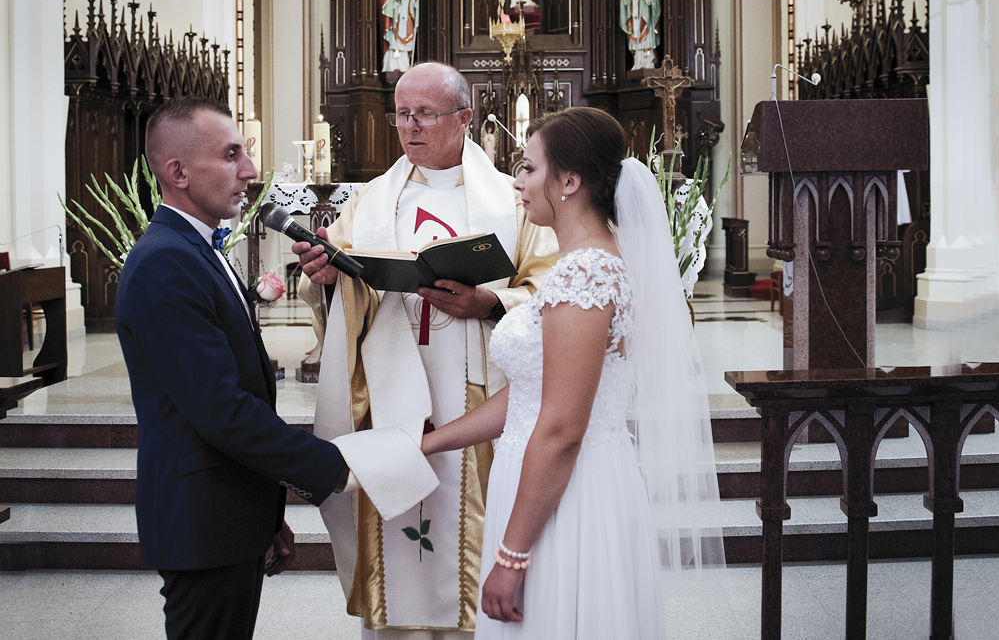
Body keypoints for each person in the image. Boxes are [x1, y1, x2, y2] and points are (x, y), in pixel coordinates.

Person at [420, 108, 724, 638]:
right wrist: (430, 443)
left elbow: (562, 429)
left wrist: (512, 556)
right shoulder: (590, 262)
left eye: (529, 168)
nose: (518, 182)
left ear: (568, 182)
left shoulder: (586, 273)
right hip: (562, 480)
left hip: (567, 493)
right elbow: (533, 393)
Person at [294, 62, 557, 639]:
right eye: (402, 115)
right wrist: (329, 278)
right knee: (398, 533)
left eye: (425, 114)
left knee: (468, 518)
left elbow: (550, 289)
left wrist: (490, 301)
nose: (410, 126)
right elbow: (342, 288)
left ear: (465, 118)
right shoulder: (369, 202)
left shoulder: (514, 201)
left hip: (476, 392)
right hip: (391, 388)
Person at [115, 96, 351, 640]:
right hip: (202, 521)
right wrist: (334, 467)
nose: (250, 170)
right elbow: (222, 410)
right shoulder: (165, 261)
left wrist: (263, 513)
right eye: (230, 155)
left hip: (227, 512)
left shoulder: (197, 246)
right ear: (178, 172)